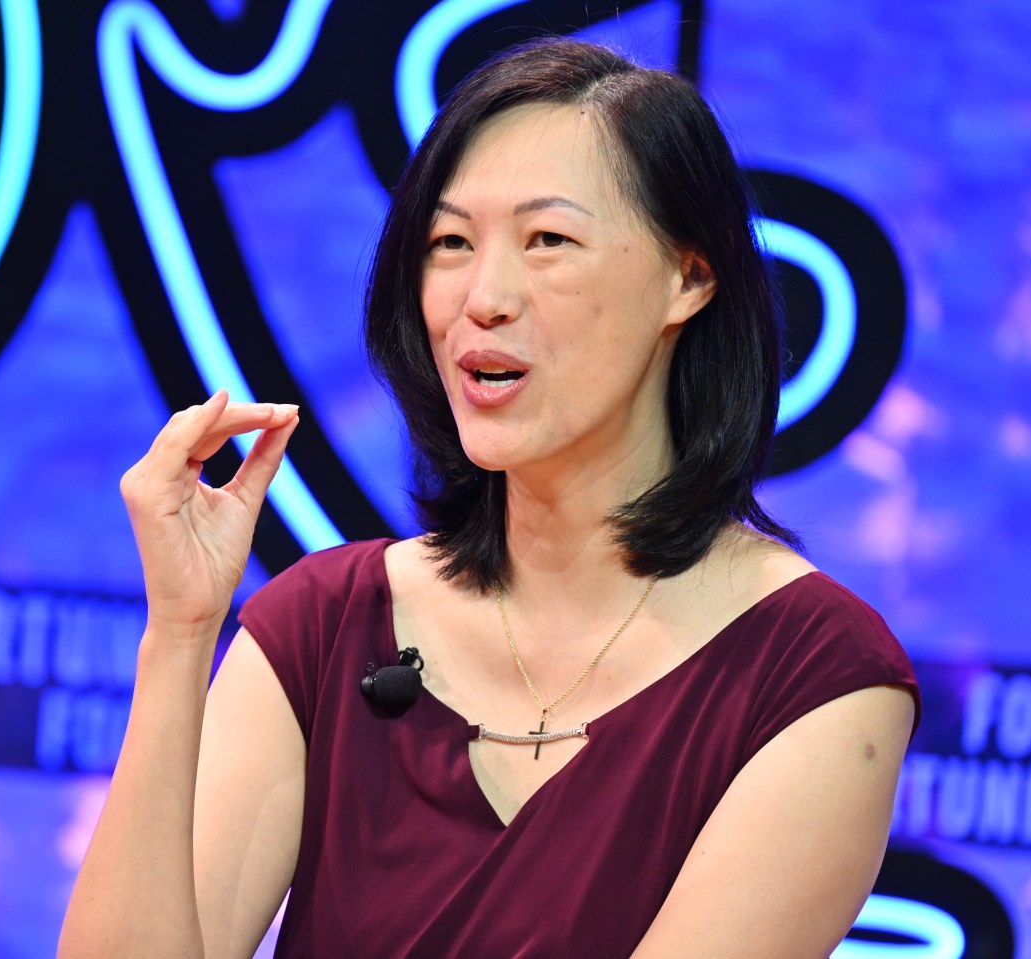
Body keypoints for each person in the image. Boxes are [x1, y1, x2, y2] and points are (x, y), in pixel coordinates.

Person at [59, 37, 918, 958]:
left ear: (689, 276)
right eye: (449, 243)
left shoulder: (813, 678)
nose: (483, 296)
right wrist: (181, 636)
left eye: (548, 240)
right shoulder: (322, 627)